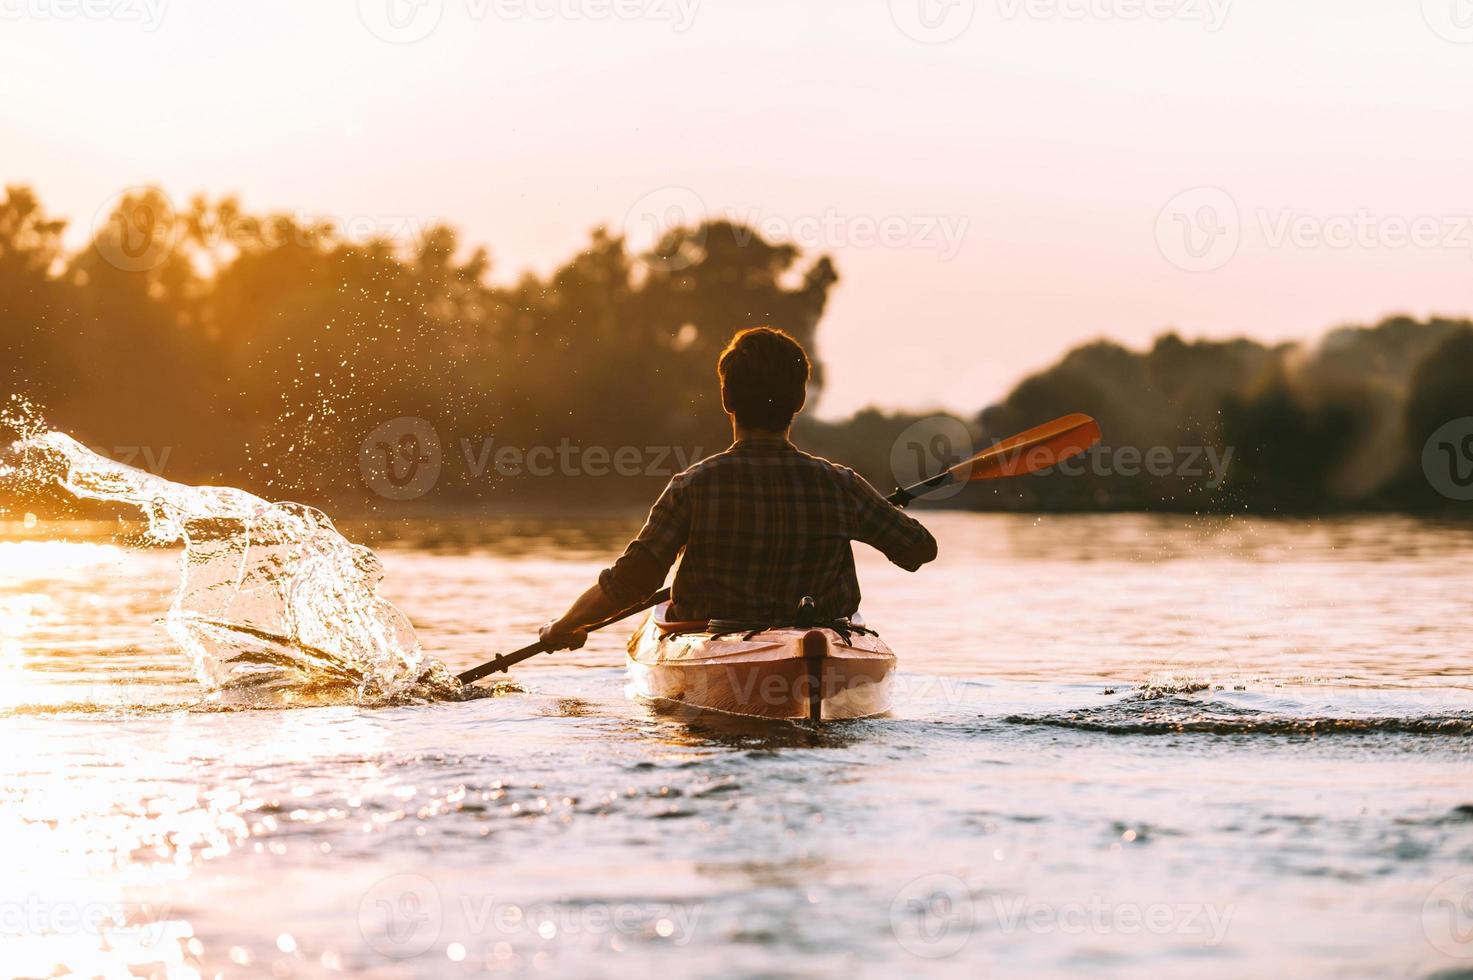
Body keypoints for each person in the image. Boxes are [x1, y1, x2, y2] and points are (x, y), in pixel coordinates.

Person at [539, 326, 937, 650]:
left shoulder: (691, 486)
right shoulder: (841, 486)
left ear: (727, 398)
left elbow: (632, 582)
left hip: (712, 641)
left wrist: (565, 625)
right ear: (799, 400)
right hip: (819, 642)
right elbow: (919, 550)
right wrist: (872, 511)